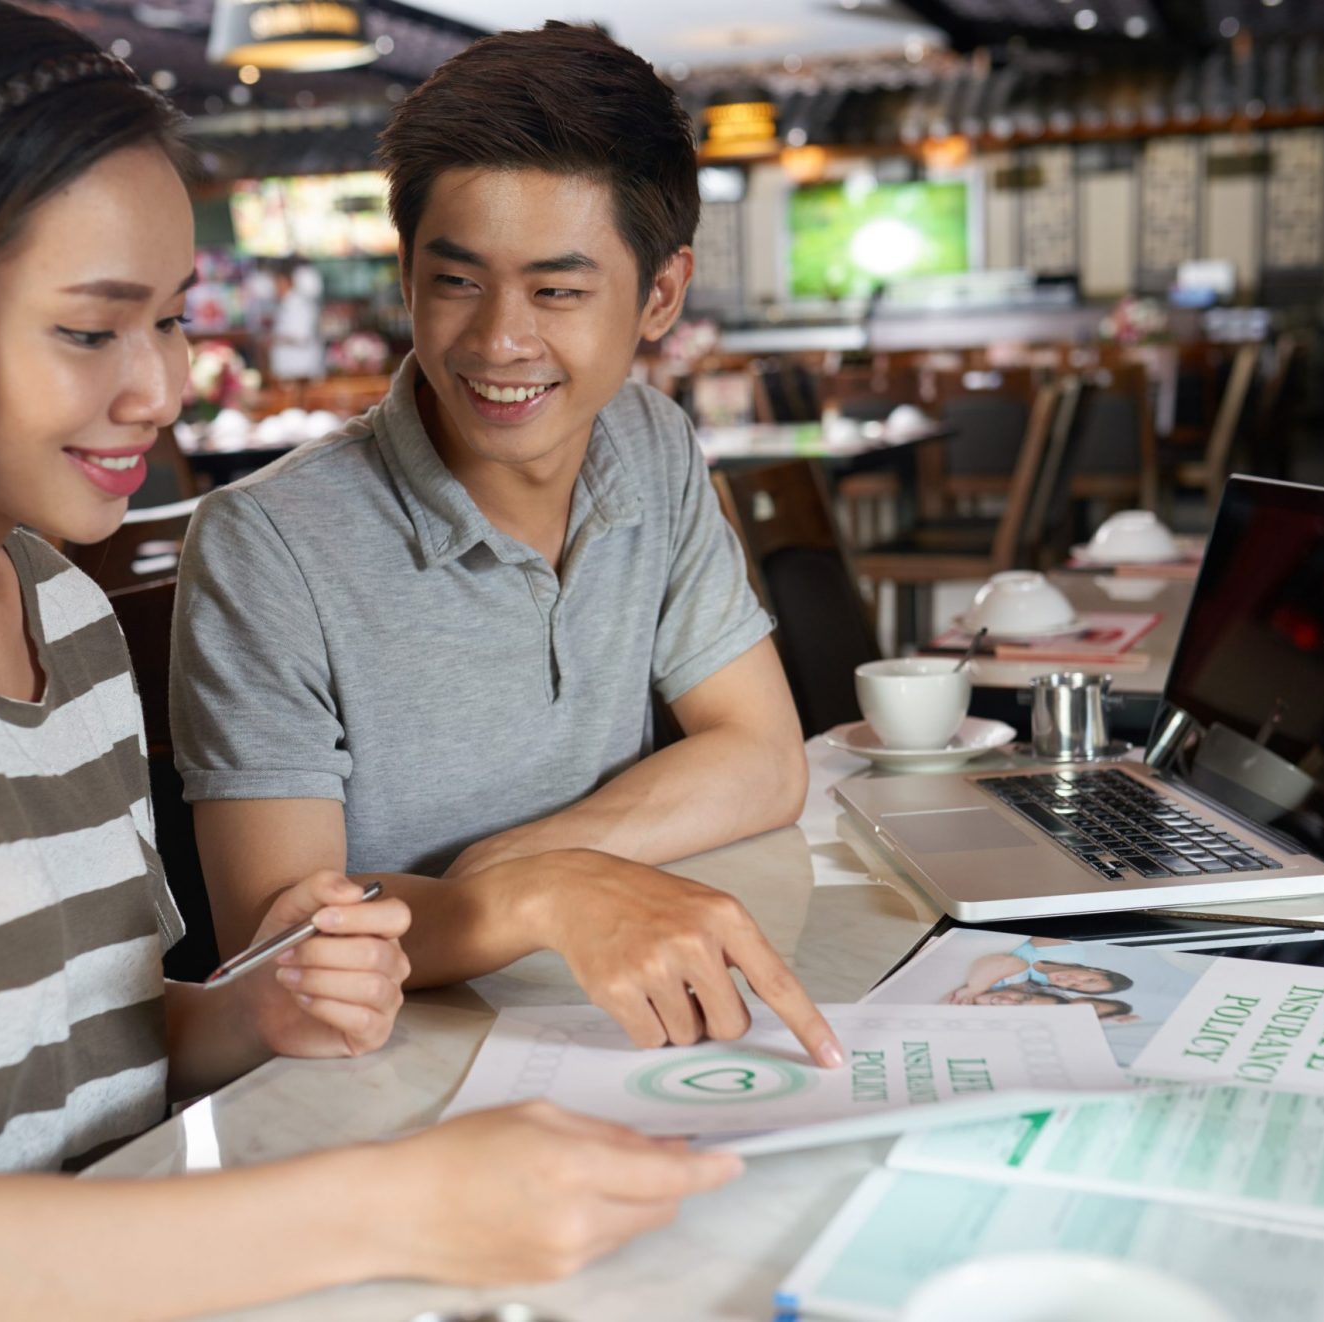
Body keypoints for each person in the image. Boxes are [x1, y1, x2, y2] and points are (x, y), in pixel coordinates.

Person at [0, 7, 743, 1318]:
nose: (163, 389)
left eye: (172, 322)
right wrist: (394, 1202)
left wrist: (258, 1006)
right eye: (91, 331)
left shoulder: (58, 617)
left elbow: (97, 1048)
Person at [170, 22, 841, 1069]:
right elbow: (290, 945)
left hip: (603, 1018)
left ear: (660, 295)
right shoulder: (268, 542)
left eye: (558, 291)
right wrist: (539, 894)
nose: (497, 341)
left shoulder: (649, 441)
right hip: (387, 1076)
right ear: (406, 273)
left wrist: (511, 866)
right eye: (457, 280)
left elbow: (762, 758)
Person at [942, 936, 1135, 1004]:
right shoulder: (1069, 953)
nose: (1070, 981)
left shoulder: (1037, 985)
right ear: (1095, 970)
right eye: (1088, 980)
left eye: (1077, 987)